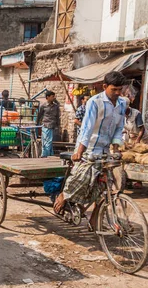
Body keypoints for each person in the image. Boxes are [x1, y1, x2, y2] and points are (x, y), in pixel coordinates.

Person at [54, 71, 127, 215]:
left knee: (104, 186)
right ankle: (63, 195)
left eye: (120, 89)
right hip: (88, 147)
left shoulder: (122, 103)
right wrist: (79, 152)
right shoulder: (95, 102)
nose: (118, 93)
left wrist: (116, 149)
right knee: (81, 179)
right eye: (114, 89)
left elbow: (119, 127)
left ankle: (95, 218)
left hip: (105, 150)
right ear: (105, 86)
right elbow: (87, 127)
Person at [36, 90, 60, 158]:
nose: (53, 98)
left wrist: (58, 125)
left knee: (49, 141)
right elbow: (39, 115)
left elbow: (57, 116)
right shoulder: (43, 106)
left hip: (53, 125)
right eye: (52, 96)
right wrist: (37, 124)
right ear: (47, 97)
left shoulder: (56, 106)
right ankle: (45, 155)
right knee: (46, 140)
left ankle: (48, 154)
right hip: (46, 125)